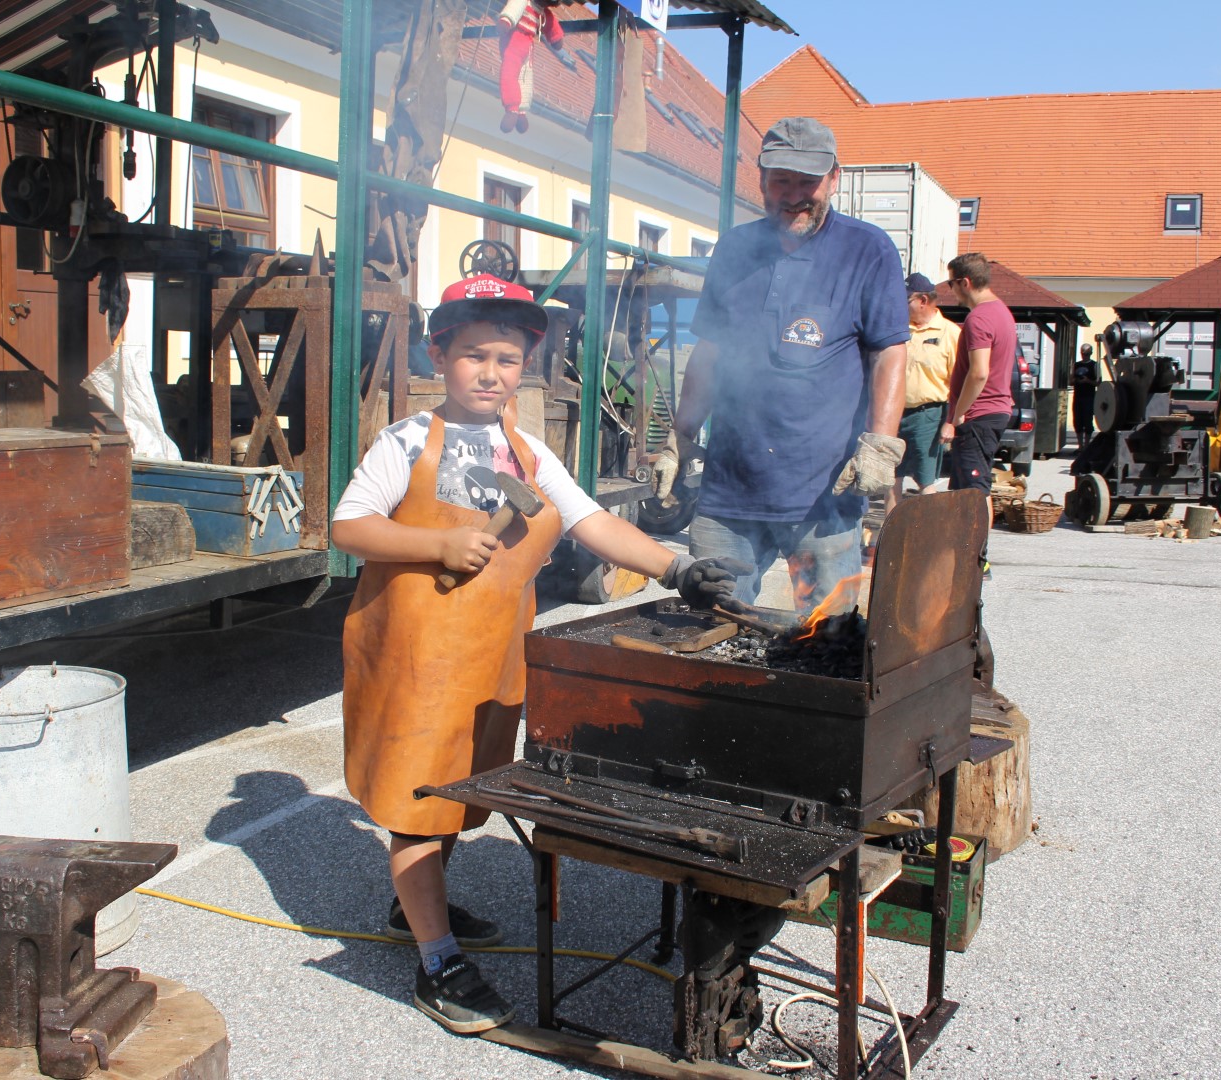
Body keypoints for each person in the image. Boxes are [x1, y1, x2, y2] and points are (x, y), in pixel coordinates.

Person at [331, 274, 741, 1036]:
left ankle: (412, 907)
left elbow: (590, 522)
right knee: (417, 806)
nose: (491, 373)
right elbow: (348, 527)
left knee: (459, 788)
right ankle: (439, 964)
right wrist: (437, 542)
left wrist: (677, 569)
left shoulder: (527, 452)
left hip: (490, 658)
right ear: (438, 353)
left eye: (509, 360)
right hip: (418, 657)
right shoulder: (406, 441)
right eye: (474, 355)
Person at [650, 116, 908, 612]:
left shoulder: (867, 250)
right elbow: (710, 352)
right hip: (729, 490)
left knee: (827, 636)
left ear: (835, 178)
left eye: (807, 182)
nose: (793, 195)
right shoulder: (734, 250)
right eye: (780, 181)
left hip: (822, 496)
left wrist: (880, 444)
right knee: (713, 624)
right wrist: (679, 437)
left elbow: (889, 351)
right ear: (762, 180)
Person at [941, 252, 1016, 504]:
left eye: (951, 283)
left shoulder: (979, 318)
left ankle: (978, 545)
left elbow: (979, 372)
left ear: (965, 282)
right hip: (992, 411)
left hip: (978, 414)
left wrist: (958, 414)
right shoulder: (1002, 312)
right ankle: (968, 544)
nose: (951, 290)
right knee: (964, 492)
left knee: (975, 491)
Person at [889, 272, 960, 512]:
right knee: (891, 479)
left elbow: (958, 383)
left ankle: (931, 538)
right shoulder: (898, 330)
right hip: (895, 413)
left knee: (925, 481)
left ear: (923, 301)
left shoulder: (949, 333)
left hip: (928, 415)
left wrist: (951, 421)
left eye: (906, 300)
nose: (901, 305)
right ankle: (890, 539)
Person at [1071, 341, 1099, 450]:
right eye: (1083, 353)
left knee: (1087, 421)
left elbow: (1098, 383)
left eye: (1086, 353)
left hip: (1089, 396)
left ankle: (1086, 445)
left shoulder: (1094, 365)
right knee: (1077, 421)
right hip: (1077, 396)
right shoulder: (1076, 365)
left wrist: (1087, 381)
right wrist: (1075, 380)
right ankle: (1080, 446)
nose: (1084, 355)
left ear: (1090, 353)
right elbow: (1070, 380)